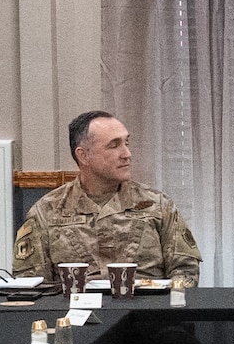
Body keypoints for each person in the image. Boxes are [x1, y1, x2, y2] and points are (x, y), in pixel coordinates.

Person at [13, 111, 202, 286]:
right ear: (84, 155)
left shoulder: (157, 205)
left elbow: (186, 271)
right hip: (76, 317)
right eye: (114, 145)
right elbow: (31, 283)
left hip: (146, 316)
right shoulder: (47, 211)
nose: (127, 154)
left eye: (126, 143)